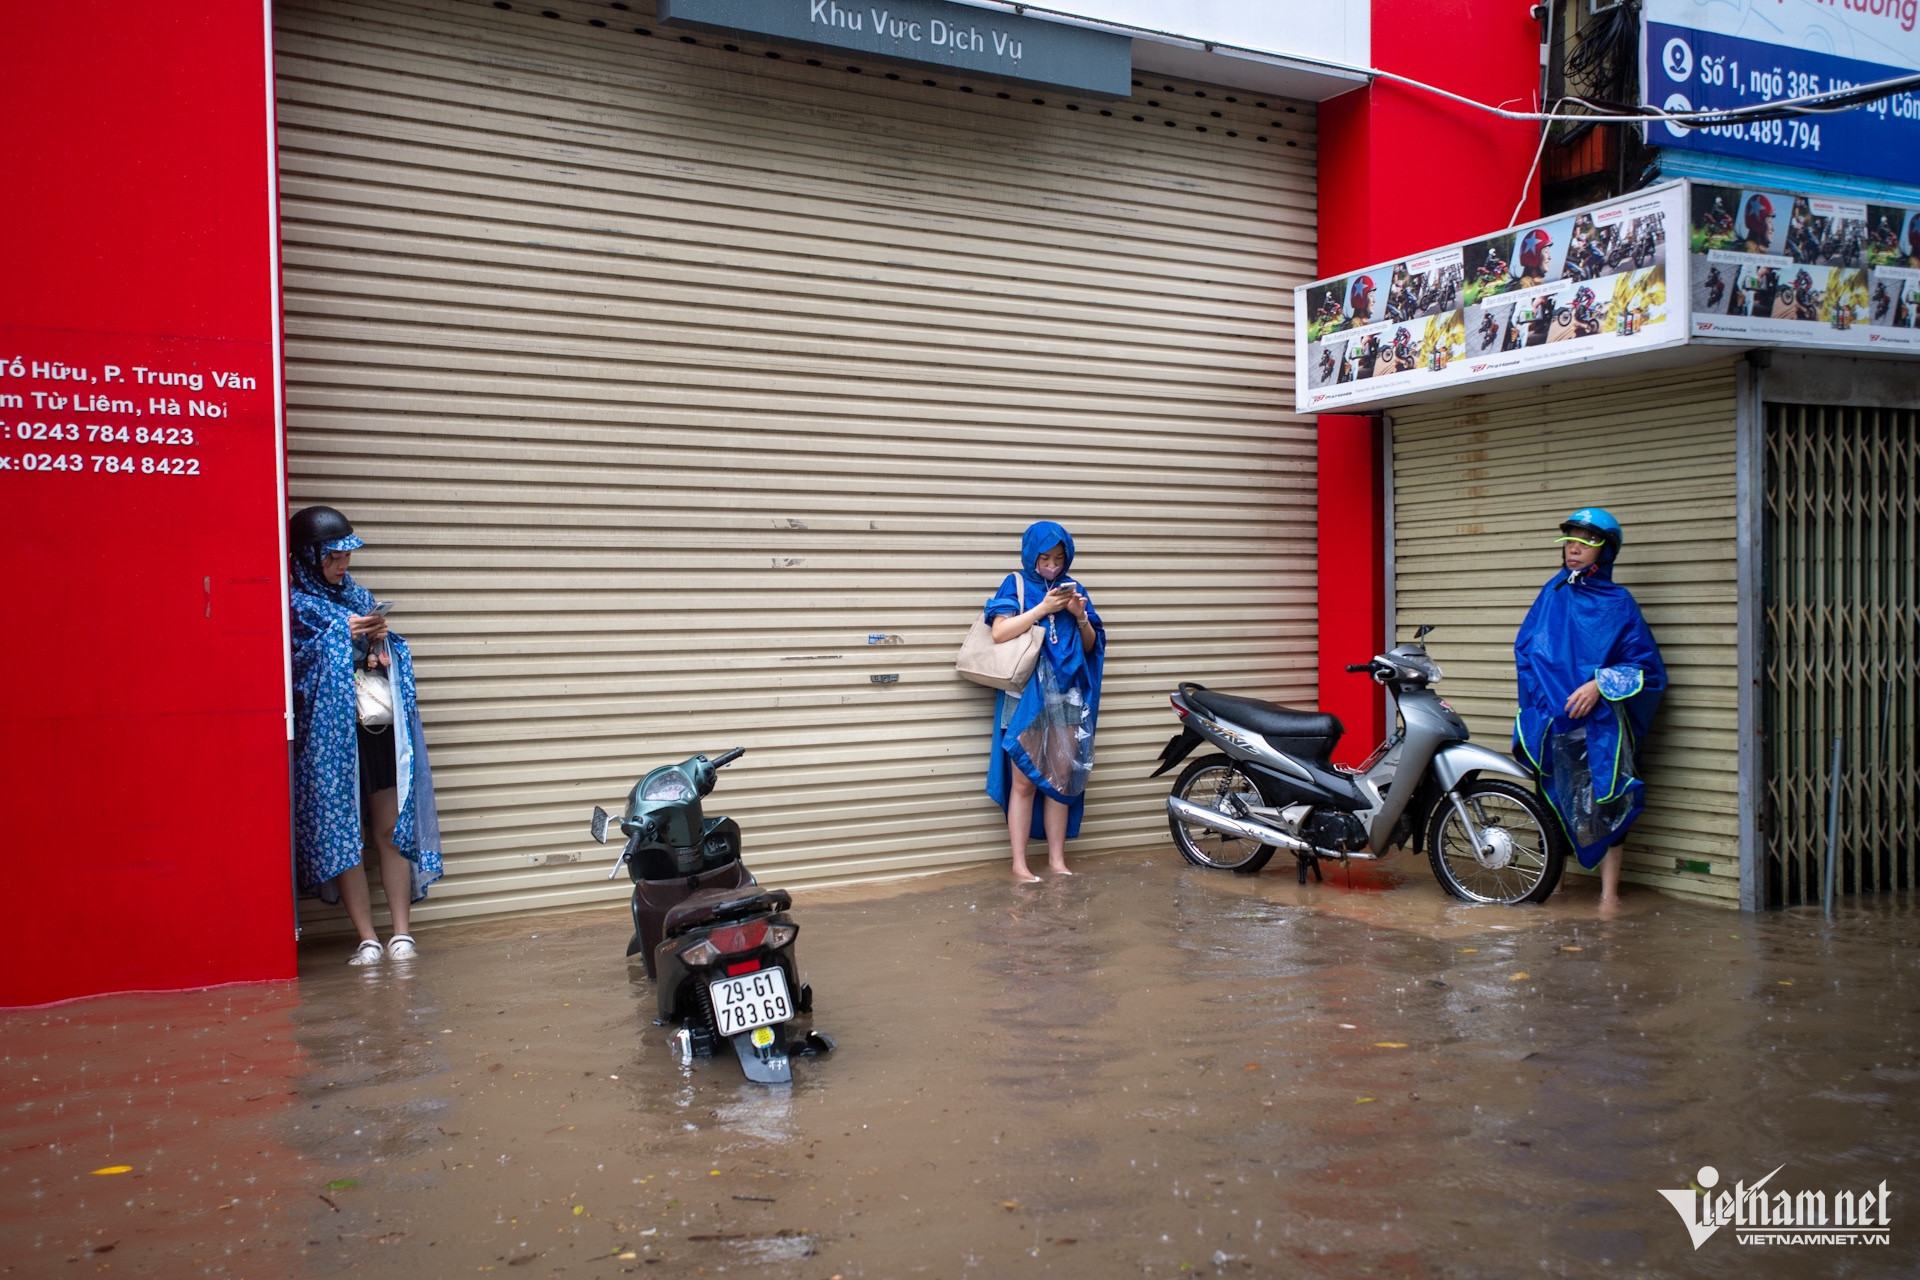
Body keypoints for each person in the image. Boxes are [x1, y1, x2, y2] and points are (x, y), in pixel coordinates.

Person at [288, 506, 443, 964]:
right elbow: (293, 667)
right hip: (328, 740)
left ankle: (401, 934)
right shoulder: (294, 605)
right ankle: (367, 939)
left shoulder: (358, 596)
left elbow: (386, 659)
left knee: (389, 829)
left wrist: (380, 641)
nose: (343, 566)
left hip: (374, 729)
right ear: (308, 557)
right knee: (344, 834)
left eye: (346, 556)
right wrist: (341, 635)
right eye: (333, 557)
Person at [1512, 509, 1665, 909]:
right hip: (1553, 720)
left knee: (1608, 799)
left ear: (1606, 550)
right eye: (1570, 540)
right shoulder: (1552, 594)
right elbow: (1526, 652)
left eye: (1585, 542)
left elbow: (1645, 669)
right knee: (1553, 802)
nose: (1574, 549)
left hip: (1601, 725)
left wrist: (1600, 684)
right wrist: (1543, 702)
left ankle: (1608, 898)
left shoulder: (1619, 603)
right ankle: (1556, 887)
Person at [983, 522, 1106, 882]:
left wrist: (1080, 616)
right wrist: (1042, 609)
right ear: (1030, 556)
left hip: (1067, 695)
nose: (1052, 564)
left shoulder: (1075, 588)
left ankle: (1056, 861)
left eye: (1059, 558)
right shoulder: (1016, 584)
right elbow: (999, 632)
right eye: (1045, 558)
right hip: (1026, 699)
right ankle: (1020, 865)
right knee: (1023, 783)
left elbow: (1088, 648)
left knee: (1061, 779)